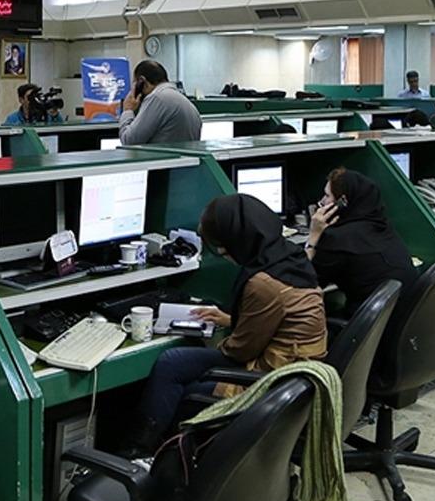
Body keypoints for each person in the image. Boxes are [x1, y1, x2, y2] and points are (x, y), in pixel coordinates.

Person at [123, 194, 327, 456]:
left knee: (182, 383)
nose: (223, 253)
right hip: (292, 369)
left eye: (223, 247)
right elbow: (277, 319)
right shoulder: (285, 255)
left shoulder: (263, 283)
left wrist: (218, 338)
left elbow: (240, 351)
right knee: (172, 361)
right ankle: (142, 449)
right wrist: (232, 319)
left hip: (273, 379)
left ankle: (144, 454)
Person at [305, 168, 418, 315]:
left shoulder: (339, 238)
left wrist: (314, 235)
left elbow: (305, 282)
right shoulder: (382, 226)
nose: (322, 202)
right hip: (402, 320)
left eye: (327, 196)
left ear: (342, 202)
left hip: (371, 324)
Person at [118, 60, 202, 145]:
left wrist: (127, 110)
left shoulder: (157, 98)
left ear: (142, 81)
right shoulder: (186, 103)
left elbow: (128, 140)